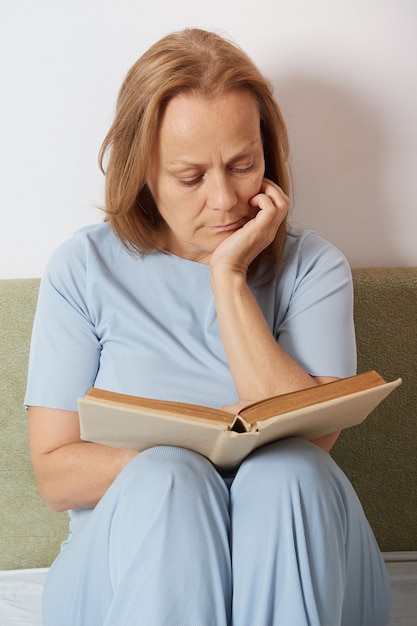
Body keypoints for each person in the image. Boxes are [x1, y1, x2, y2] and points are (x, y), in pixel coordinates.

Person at [25, 27, 390, 626]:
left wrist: (228, 279)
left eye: (243, 165)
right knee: (170, 481)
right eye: (191, 177)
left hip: (297, 547)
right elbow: (55, 475)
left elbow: (316, 438)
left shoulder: (314, 267)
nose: (224, 201)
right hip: (128, 562)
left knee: (290, 470)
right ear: (142, 171)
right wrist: (187, 459)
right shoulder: (82, 268)